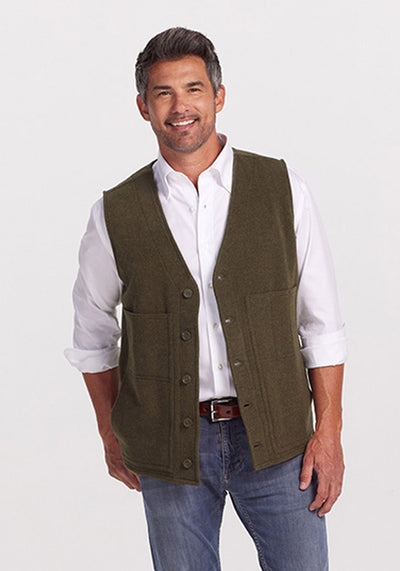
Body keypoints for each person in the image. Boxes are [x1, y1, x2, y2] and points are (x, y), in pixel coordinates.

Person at [65, 27, 346, 571]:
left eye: (193, 89)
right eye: (163, 93)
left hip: (282, 441)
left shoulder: (282, 189)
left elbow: (322, 323)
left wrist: (329, 432)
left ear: (218, 96)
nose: (180, 107)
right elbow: (93, 334)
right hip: (169, 446)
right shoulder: (115, 213)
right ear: (143, 107)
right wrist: (110, 431)